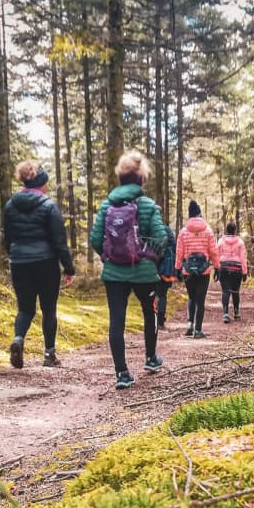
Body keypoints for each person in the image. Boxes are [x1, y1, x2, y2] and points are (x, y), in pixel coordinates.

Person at [89, 150, 167, 389]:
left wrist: (107, 256)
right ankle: (151, 358)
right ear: (141, 178)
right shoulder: (147, 205)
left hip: (113, 273)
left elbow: (95, 238)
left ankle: (122, 373)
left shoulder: (106, 205)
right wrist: (150, 257)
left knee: (117, 321)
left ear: (120, 178)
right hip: (144, 273)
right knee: (150, 313)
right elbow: (161, 237)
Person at [2, 159, 74, 369]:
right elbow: (59, 242)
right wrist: (69, 268)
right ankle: (49, 355)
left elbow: (7, 237)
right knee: (48, 308)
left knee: (25, 309)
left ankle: (18, 338)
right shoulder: (49, 206)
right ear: (41, 184)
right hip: (46, 262)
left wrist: (14, 255)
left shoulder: (10, 205)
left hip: (19, 261)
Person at [174, 200, 219, 338]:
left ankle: (189, 325)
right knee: (200, 300)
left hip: (188, 270)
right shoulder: (208, 231)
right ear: (200, 214)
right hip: (203, 271)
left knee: (191, 297)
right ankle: (198, 330)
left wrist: (177, 268)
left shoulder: (183, 232)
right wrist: (217, 267)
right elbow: (213, 251)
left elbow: (179, 252)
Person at [216, 222, 248, 323]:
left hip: (224, 267)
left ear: (226, 230)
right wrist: (244, 271)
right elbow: (243, 258)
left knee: (225, 291)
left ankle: (225, 313)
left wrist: (217, 269)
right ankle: (236, 312)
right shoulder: (240, 242)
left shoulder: (221, 241)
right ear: (235, 230)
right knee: (235, 291)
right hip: (237, 269)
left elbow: (216, 255)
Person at [154, 219, 177, 330]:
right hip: (166, 268)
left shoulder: (149, 230)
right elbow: (174, 247)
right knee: (162, 295)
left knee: (152, 294)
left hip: (151, 266)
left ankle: (153, 319)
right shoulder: (167, 230)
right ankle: (160, 321)